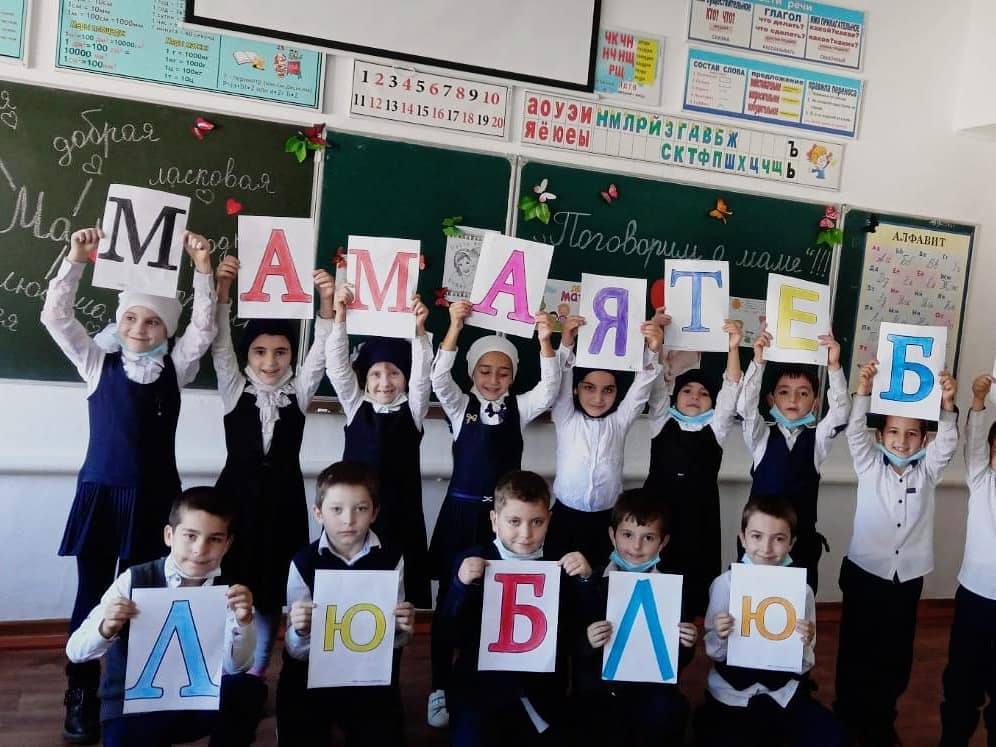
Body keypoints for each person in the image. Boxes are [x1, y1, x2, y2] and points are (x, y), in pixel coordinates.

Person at [42, 226, 217, 744]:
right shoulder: (97, 363)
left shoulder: (175, 368)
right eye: (131, 318)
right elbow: (56, 317)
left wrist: (202, 270)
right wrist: (76, 259)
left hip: (157, 502)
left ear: (167, 329)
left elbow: (204, 328)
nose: (140, 328)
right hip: (101, 496)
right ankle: (80, 692)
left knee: (148, 594)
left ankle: (136, 688)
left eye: (153, 320)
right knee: (92, 595)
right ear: (118, 323)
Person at [426, 300, 560, 727]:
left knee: (499, 600)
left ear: (514, 377)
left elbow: (550, 388)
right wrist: (454, 326)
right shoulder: (458, 404)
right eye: (485, 371)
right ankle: (439, 686)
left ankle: (502, 678)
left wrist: (545, 342)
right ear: (472, 372)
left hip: (507, 525)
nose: (493, 379)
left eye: (503, 373)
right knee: (451, 602)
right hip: (461, 516)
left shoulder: (520, 408)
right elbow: (438, 376)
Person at [211, 254, 335, 678]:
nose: (270, 362)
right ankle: (227, 669)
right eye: (260, 352)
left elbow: (321, 351)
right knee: (232, 586)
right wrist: (222, 291)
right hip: (235, 502)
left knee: (270, 592)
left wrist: (326, 302)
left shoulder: (298, 391)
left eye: (281, 352)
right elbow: (220, 344)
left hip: (282, 503)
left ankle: (256, 672)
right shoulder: (234, 388)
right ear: (248, 354)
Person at [65, 486, 261, 747]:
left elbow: (238, 667)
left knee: (247, 688)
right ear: (169, 535)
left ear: (227, 544)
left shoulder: (230, 592)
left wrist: (244, 623)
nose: (200, 549)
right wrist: (106, 628)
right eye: (190, 536)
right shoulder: (134, 579)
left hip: (195, 701)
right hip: (133, 708)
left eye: (214, 539)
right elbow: (76, 651)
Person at [835, 358, 958, 746]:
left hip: (906, 579)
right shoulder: (869, 464)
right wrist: (863, 390)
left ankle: (882, 716)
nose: (901, 441)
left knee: (895, 652)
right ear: (880, 435)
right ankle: (848, 713)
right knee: (857, 647)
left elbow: (947, 444)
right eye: (893, 432)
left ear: (923, 440)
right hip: (865, 574)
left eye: (911, 434)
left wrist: (948, 406)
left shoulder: (927, 471)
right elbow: (855, 433)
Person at [439, 470, 595, 746]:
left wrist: (584, 581)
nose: (525, 534)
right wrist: (461, 586)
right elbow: (451, 634)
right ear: (494, 520)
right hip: (480, 691)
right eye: (514, 521)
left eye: (537, 522)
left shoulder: (562, 565)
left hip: (542, 695)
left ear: (549, 520)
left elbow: (577, 633)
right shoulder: (472, 561)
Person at [276, 461, 416, 746]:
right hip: (311, 675)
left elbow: (392, 641)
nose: (349, 520)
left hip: (369, 677)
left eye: (360, 509)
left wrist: (402, 628)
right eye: (336, 509)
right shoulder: (303, 562)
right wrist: (300, 630)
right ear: (318, 513)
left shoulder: (391, 558)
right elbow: (295, 650)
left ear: (374, 513)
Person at [696, 495, 844, 747]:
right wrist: (720, 634)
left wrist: (805, 642)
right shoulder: (725, 585)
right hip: (732, 692)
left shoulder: (802, 591)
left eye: (778, 539)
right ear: (743, 538)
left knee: (833, 737)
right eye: (756, 536)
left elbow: (803, 664)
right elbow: (714, 652)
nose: (766, 548)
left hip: (782, 693)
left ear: (791, 543)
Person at [326, 281, 433, 609]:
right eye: (375, 374)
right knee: (356, 587)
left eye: (394, 373)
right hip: (356, 514)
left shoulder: (413, 408)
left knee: (401, 592)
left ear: (405, 377)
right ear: (365, 378)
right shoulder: (355, 404)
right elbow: (337, 367)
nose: (384, 382)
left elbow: (423, 374)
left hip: (402, 513)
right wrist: (339, 317)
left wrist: (419, 330)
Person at [577, 488, 697, 747]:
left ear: (663, 542)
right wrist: (588, 640)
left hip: (652, 690)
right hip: (602, 690)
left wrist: (687, 642)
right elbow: (574, 646)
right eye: (627, 535)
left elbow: (677, 662)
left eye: (648, 538)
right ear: (612, 535)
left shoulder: (671, 589)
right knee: (595, 719)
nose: (636, 546)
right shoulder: (593, 582)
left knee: (667, 712)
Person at [737, 325, 850, 593]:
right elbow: (745, 408)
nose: (793, 399)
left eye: (803, 393)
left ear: (815, 403)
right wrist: (758, 361)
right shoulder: (760, 438)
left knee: (796, 605)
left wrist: (834, 367)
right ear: (771, 400)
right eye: (784, 392)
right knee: (752, 600)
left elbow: (840, 414)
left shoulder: (817, 440)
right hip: (758, 543)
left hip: (801, 544)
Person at [545, 312, 663, 565]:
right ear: (577, 389)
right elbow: (562, 378)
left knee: (600, 577)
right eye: (589, 388)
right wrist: (566, 342)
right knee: (559, 576)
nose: (598, 398)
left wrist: (653, 350)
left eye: (608, 390)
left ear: (617, 392)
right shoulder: (565, 417)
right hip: (564, 518)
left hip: (606, 520)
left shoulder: (619, 422)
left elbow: (640, 391)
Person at [644, 316, 743, 618]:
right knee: (656, 578)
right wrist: (656, 345)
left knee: (691, 585)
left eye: (703, 393)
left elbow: (731, 388)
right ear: (676, 396)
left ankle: (686, 630)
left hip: (699, 519)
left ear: (712, 403)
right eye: (687, 391)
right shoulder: (661, 420)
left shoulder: (716, 428)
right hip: (658, 515)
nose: (694, 397)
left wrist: (733, 349)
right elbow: (656, 381)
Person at [939, 373, 996, 745]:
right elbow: (973, 443)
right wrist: (978, 400)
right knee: (962, 680)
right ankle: (953, 739)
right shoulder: (981, 479)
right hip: (975, 597)